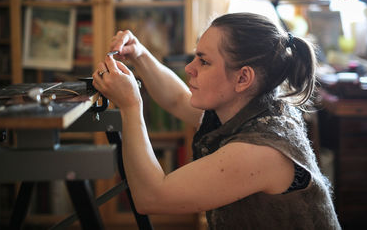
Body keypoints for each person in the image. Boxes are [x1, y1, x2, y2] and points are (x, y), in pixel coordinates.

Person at [92, 12, 341, 229]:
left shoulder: (260, 151)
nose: (189, 68)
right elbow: (178, 100)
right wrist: (139, 53)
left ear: (243, 78)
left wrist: (131, 105)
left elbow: (151, 197)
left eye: (204, 61)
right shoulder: (253, 108)